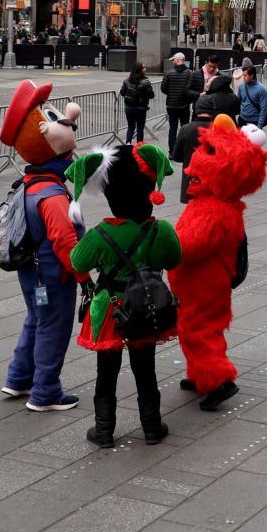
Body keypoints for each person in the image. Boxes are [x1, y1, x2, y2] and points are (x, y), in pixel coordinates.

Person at [67, 144, 181, 446]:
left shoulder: (100, 235)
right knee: (146, 369)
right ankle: (152, 427)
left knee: (106, 371)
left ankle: (103, 430)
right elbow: (173, 260)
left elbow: (77, 262)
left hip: (110, 309)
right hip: (145, 306)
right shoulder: (163, 231)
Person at [0, 81, 87, 412]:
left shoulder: (29, 184)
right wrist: (83, 275)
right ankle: (46, 392)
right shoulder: (51, 195)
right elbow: (65, 241)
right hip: (53, 274)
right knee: (53, 326)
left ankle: (19, 378)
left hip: (31, 273)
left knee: (36, 319)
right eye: (67, 154)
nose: (71, 158)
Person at [171, 117, 267, 410]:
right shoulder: (216, 203)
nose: (192, 170)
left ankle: (219, 380)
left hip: (203, 283)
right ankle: (201, 373)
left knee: (199, 329)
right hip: (203, 283)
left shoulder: (214, 210)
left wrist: (164, 243)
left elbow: (189, 245)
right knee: (197, 328)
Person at [161, 53, 201, 151]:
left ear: (178, 60)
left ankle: (172, 151)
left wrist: (171, 94)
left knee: (172, 129)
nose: (173, 61)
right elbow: (192, 88)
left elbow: (163, 88)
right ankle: (184, 149)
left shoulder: (169, 73)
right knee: (185, 128)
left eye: (173, 60)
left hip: (171, 105)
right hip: (184, 105)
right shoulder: (189, 73)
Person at [120, 63, 154, 144]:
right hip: (141, 108)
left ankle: (128, 144)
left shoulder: (127, 81)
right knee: (140, 128)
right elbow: (151, 95)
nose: (145, 69)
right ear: (140, 70)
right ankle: (139, 146)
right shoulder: (146, 82)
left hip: (129, 108)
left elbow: (122, 92)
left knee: (130, 127)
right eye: (143, 68)